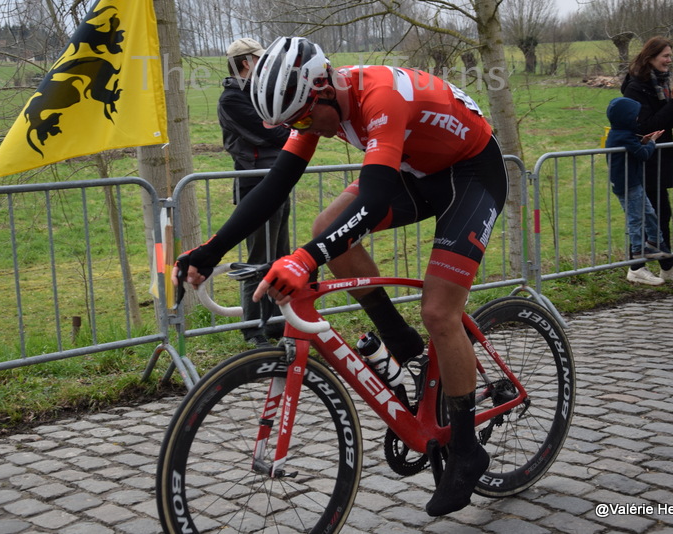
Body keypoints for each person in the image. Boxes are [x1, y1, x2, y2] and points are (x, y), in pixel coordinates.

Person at [172, 36, 509, 516]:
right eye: (291, 124)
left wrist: (305, 260)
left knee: (439, 310)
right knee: (325, 228)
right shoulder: (311, 103)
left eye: (305, 119)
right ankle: (404, 345)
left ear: (325, 87)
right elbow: (274, 185)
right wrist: (210, 251)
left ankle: (467, 448)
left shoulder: (380, 96)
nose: (303, 129)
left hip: (471, 172)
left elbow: (372, 202)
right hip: (418, 169)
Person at [217, 38, 292, 347]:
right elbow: (270, 133)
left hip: (278, 180)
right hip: (255, 185)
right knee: (258, 257)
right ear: (246, 62)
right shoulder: (232, 99)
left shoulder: (258, 93)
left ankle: (275, 323)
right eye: (260, 59)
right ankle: (252, 330)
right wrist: (287, 130)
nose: (265, 64)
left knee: (281, 257)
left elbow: (287, 123)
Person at [621, 36, 673, 283]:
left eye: (670, 56)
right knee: (644, 215)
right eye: (665, 56)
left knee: (661, 213)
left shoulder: (659, 84)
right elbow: (647, 125)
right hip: (643, 158)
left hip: (659, 157)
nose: (669, 60)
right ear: (650, 58)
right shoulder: (635, 87)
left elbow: (666, 123)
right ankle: (636, 267)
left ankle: (667, 266)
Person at [605, 97, 669, 285]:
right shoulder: (623, 136)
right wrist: (652, 143)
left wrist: (644, 141)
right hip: (628, 184)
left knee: (648, 213)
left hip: (633, 182)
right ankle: (638, 255)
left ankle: (654, 243)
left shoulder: (623, 134)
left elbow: (636, 149)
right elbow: (643, 155)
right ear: (626, 118)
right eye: (635, 116)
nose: (638, 119)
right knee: (636, 218)